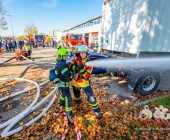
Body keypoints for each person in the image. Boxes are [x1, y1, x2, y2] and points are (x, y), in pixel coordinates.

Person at [67, 45, 102, 119]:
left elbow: (87, 76)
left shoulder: (90, 64)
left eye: (84, 53)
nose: (83, 54)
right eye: (81, 53)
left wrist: (82, 69)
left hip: (85, 84)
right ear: (79, 53)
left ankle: (96, 111)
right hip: (75, 83)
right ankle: (78, 102)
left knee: (92, 99)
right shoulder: (75, 59)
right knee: (77, 96)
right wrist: (75, 68)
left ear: (86, 53)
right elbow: (69, 65)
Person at [55, 48, 74, 123]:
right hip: (62, 83)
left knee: (63, 94)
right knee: (68, 98)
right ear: (60, 56)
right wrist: (72, 73)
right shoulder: (61, 64)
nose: (66, 57)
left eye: (66, 56)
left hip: (62, 83)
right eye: (64, 56)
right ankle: (69, 115)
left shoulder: (61, 62)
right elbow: (67, 74)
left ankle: (61, 102)